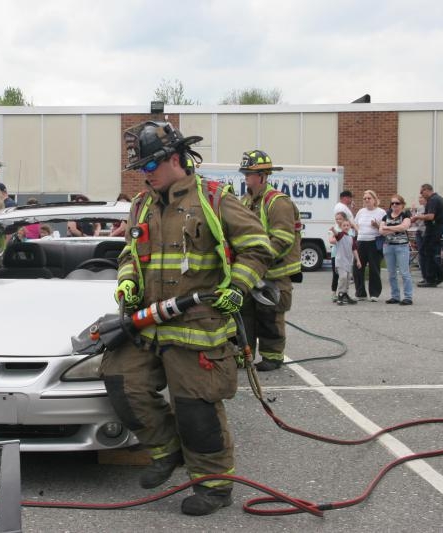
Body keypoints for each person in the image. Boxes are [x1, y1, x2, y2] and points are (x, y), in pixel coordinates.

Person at [100, 121, 273, 516]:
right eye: (140, 170)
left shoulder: (213, 198)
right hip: (147, 325)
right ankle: (166, 450)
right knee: (121, 380)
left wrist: (238, 288)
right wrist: (127, 283)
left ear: (175, 160)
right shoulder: (142, 204)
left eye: (149, 167)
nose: (145, 176)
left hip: (198, 327)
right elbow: (129, 254)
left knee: (196, 408)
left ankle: (214, 486)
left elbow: (257, 248)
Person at [240, 150, 302, 371]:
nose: (245, 176)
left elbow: (283, 238)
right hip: (252, 270)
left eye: (249, 173)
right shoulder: (246, 200)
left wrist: (260, 259)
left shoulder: (278, 203)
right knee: (245, 313)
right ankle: (244, 355)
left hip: (273, 271)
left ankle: (272, 356)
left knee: (270, 315)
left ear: (263, 176)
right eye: (245, 172)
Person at [379, 194, 413, 305]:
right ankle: (395, 296)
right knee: (391, 273)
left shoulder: (405, 215)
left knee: (404, 272)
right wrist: (395, 229)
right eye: (392, 203)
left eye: (397, 203)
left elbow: (404, 227)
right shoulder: (386, 216)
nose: (394, 205)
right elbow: (381, 231)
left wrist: (388, 227)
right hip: (388, 246)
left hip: (402, 246)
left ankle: (408, 297)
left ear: (402, 205)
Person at [411, 183, 443, 287]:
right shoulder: (439, 198)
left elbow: (431, 216)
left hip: (433, 228)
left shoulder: (433, 200)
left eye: (422, 192)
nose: (421, 194)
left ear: (427, 190)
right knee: (427, 252)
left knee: (427, 252)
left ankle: (434, 277)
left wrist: (418, 217)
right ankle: (435, 275)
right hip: (436, 228)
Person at [353, 190, 386, 301]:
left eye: (369, 198)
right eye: (365, 198)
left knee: (374, 268)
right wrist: (359, 232)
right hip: (361, 241)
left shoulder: (381, 212)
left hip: (374, 242)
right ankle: (360, 292)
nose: (367, 200)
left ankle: (374, 293)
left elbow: (384, 229)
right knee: (358, 267)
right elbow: (355, 224)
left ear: (374, 199)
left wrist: (376, 225)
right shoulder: (361, 212)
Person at [330, 218, 360, 305]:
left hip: (348, 262)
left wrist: (358, 261)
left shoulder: (351, 238)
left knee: (347, 279)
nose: (346, 227)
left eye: (347, 225)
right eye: (344, 225)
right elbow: (336, 234)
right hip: (340, 261)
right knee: (342, 277)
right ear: (341, 227)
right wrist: (333, 230)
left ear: (350, 227)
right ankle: (340, 294)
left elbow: (354, 250)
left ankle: (345, 294)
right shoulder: (340, 235)